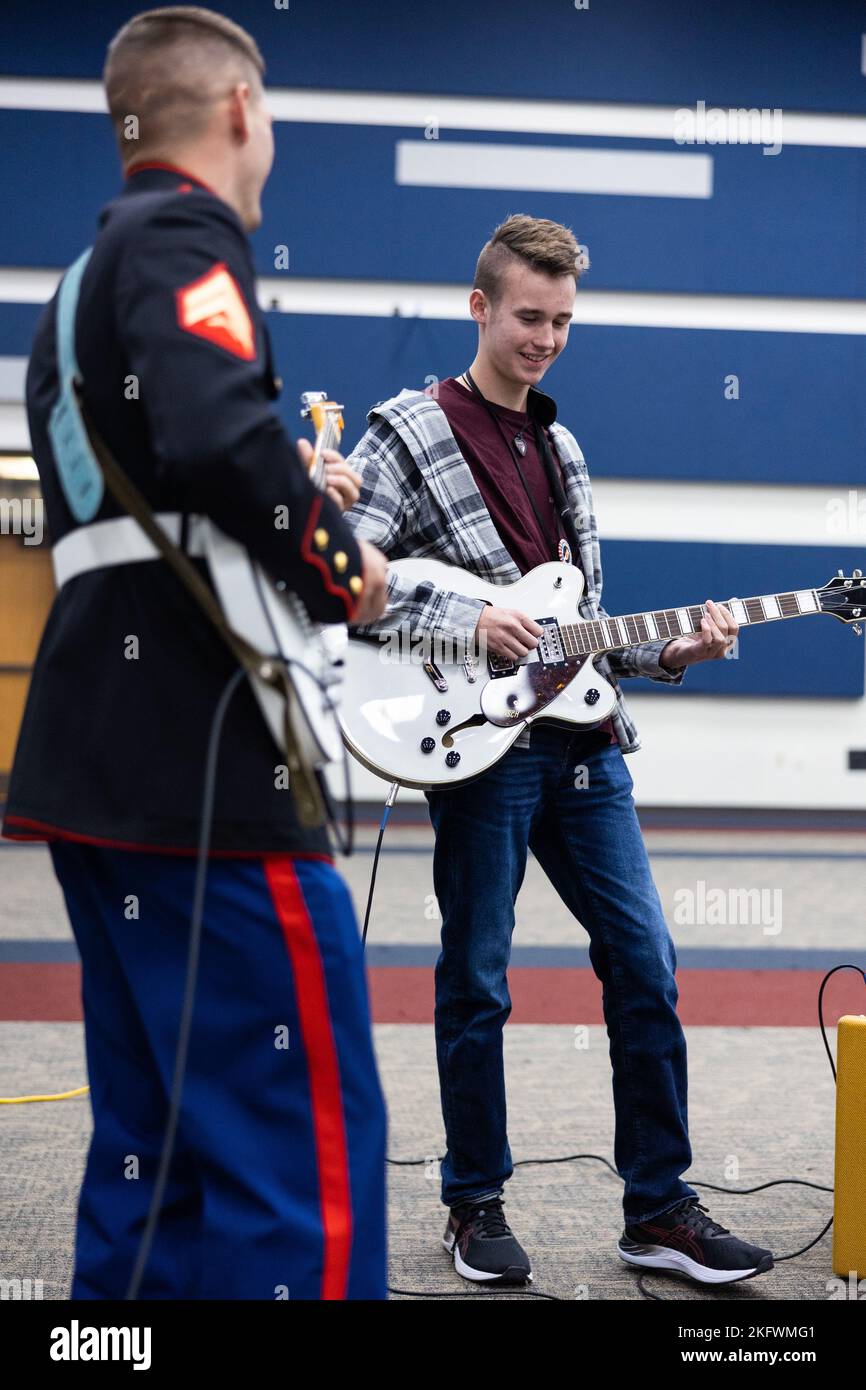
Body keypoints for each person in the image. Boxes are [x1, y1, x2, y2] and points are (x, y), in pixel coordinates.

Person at [2, 6, 390, 1300]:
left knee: (148, 1141)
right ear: (237, 111)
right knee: (297, 1145)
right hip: (204, 756)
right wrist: (344, 561)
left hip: (97, 760)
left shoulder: (70, 287)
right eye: (268, 109)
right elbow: (222, 441)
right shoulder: (182, 233)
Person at [344, 214, 774, 1288]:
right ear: (478, 306)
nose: (544, 338)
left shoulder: (562, 446)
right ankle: (472, 1204)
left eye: (563, 321)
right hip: (474, 754)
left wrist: (669, 650)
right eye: (528, 317)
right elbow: (340, 576)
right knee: (477, 980)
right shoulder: (403, 430)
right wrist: (462, 622)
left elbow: (581, 640)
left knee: (645, 961)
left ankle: (657, 1209)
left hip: (583, 751)